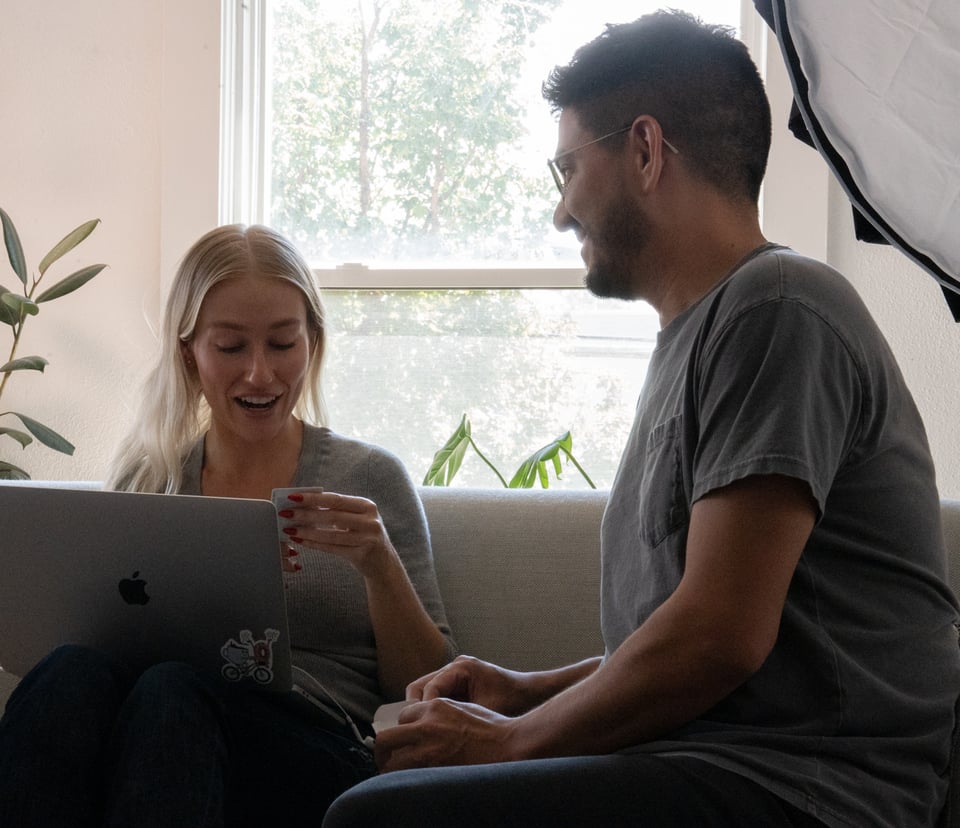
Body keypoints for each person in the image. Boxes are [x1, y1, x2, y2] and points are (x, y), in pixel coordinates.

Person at [322, 10, 960, 828]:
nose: (561, 214)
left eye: (567, 172)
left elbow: (720, 637)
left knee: (377, 819)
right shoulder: (706, 332)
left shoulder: (779, 311)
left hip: (806, 790)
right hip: (716, 760)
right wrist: (529, 692)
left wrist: (508, 744)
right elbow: (697, 623)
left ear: (646, 150)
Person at [0, 224, 456, 827]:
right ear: (190, 350)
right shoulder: (151, 476)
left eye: (282, 344)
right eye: (232, 346)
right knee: (70, 672)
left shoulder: (367, 477)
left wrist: (379, 566)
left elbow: (433, 691)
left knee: (171, 691)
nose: (260, 375)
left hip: (321, 747)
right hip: (159, 739)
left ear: (313, 343)